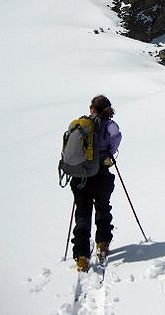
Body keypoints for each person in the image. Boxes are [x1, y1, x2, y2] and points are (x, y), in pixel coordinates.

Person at [71, 95, 122, 272]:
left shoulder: (83, 124)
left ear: (92, 108)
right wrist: (109, 152)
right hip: (100, 172)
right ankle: (102, 243)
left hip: (80, 176)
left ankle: (82, 257)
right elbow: (116, 135)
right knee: (102, 208)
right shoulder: (109, 125)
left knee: (82, 214)